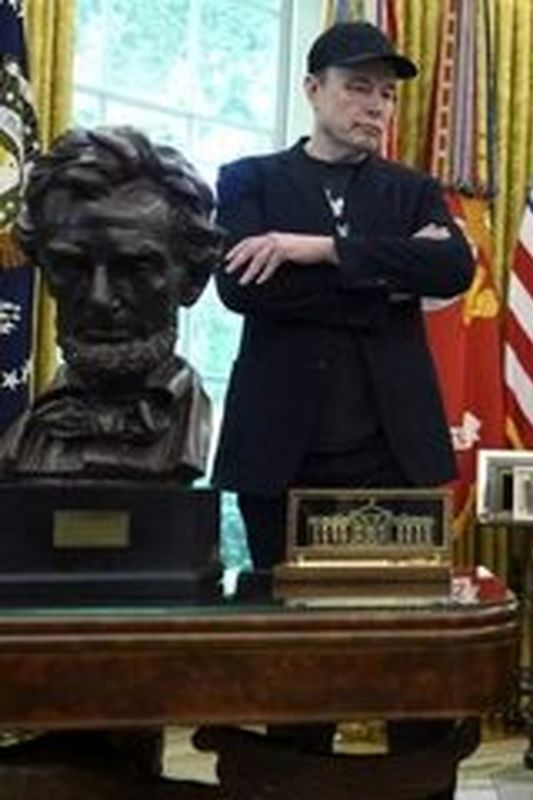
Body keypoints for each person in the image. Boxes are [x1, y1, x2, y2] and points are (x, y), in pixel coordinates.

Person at [211, 21, 474, 787]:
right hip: (281, 453)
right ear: (313, 89)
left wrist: (316, 250)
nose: (376, 107)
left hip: (392, 453)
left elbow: (451, 271)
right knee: (298, 660)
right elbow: (243, 289)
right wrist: (386, 281)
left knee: (408, 653)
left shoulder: (411, 189)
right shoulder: (248, 179)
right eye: (359, 88)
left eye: (386, 95)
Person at [0, 126, 220, 482]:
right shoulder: (20, 441)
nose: (99, 299)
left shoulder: (214, 435)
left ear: (193, 280)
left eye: (135, 269)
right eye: (72, 267)